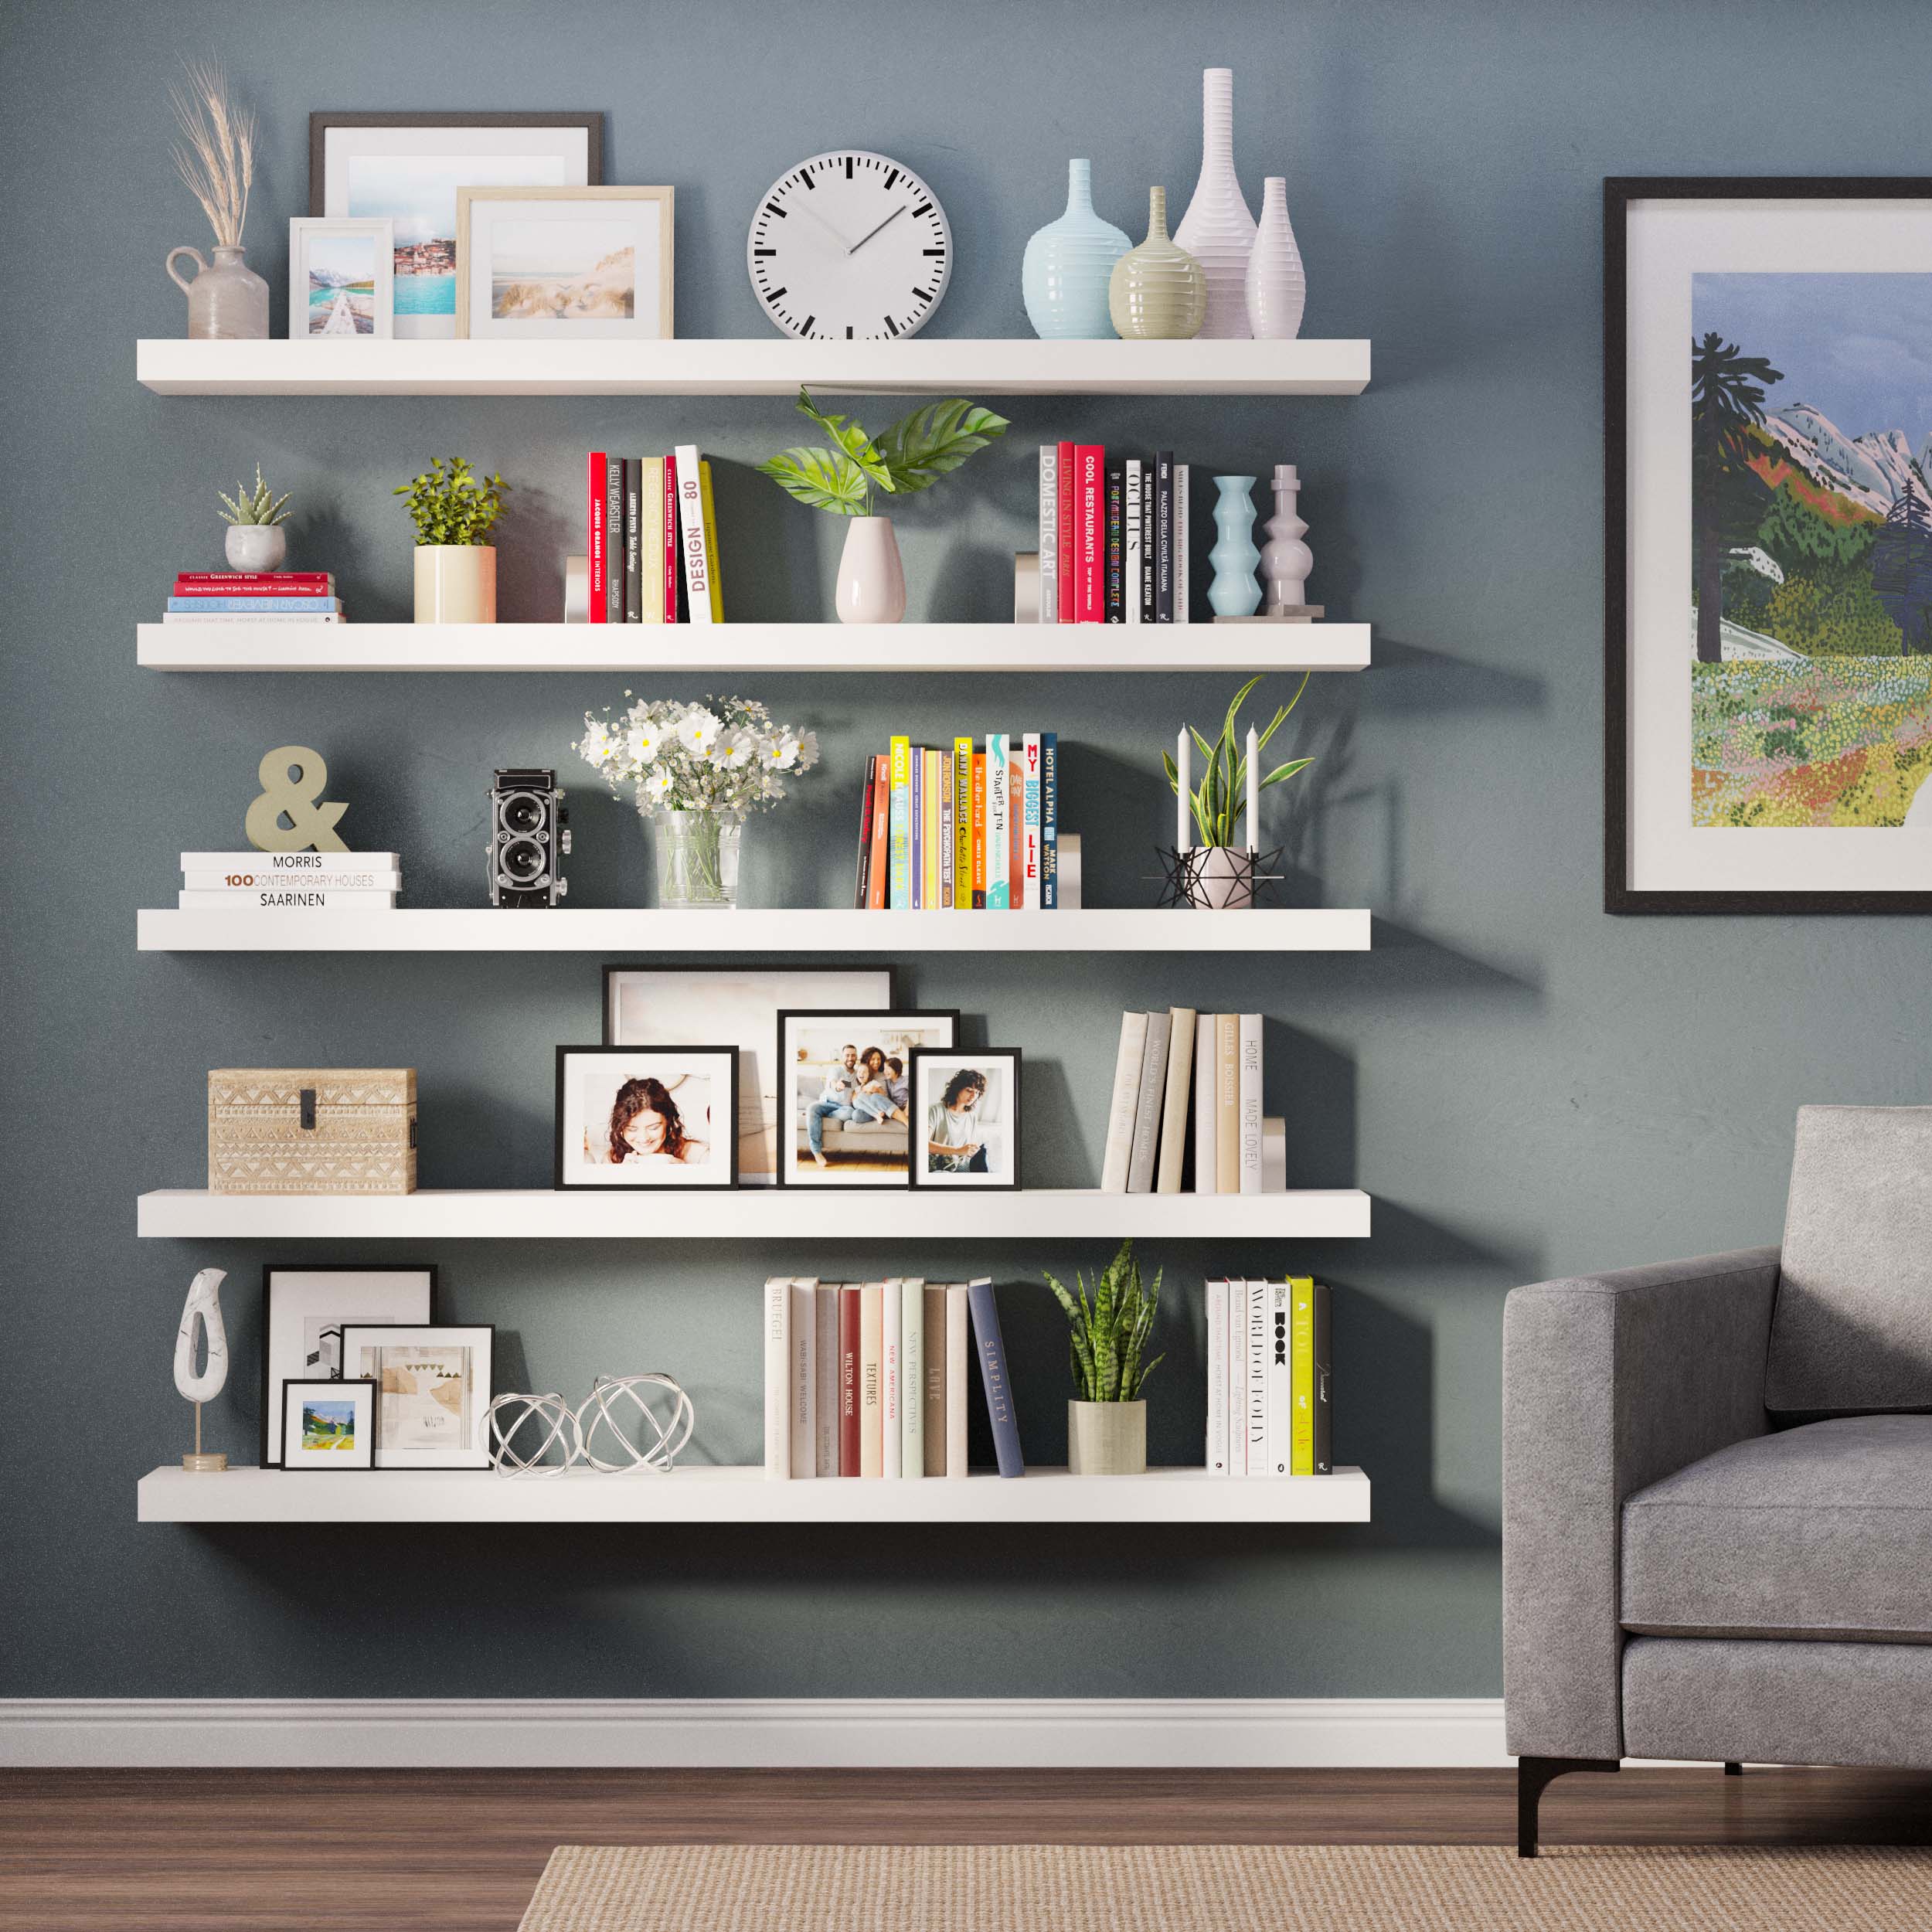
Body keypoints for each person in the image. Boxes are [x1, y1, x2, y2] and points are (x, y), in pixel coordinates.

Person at [607, 1076, 706, 1165]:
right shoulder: (611, 1159)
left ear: (668, 1122)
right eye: (632, 1129)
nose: (644, 1138)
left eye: (653, 1128)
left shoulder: (700, 1155)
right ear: (620, 1128)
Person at [806, 1043, 866, 1168]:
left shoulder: (858, 1074)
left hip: (844, 1108)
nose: (850, 1058)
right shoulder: (835, 1070)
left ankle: (820, 1115)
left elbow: (858, 1088)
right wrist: (837, 1086)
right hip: (827, 1103)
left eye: (853, 1055)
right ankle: (816, 1151)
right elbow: (834, 1082)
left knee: (850, 1113)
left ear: (857, 1057)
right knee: (812, 1107)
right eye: (847, 1055)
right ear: (842, 1056)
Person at [925, 1067, 989, 1174]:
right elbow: (922, 1144)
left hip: (961, 1167)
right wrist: (957, 1151)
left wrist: (972, 1150)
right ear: (957, 1089)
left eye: (977, 1092)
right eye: (969, 1090)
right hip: (939, 1166)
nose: (974, 1096)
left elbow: (968, 1149)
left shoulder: (972, 1116)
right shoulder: (935, 1110)